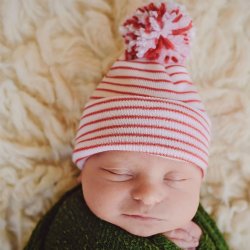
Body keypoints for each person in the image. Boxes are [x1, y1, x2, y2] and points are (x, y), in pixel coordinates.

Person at [24, 1, 229, 249]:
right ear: (82, 175)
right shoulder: (73, 223)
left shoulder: (195, 228)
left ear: (198, 185)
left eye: (176, 179)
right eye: (119, 173)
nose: (148, 194)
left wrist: (198, 242)